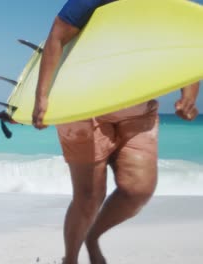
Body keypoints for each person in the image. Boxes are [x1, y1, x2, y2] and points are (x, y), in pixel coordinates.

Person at [31, 1, 199, 263]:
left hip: (138, 107)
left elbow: (183, 44)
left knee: (138, 190)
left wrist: (188, 95)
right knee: (89, 196)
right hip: (85, 106)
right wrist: (41, 97)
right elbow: (57, 36)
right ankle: (71, 259)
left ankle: (92, 236)